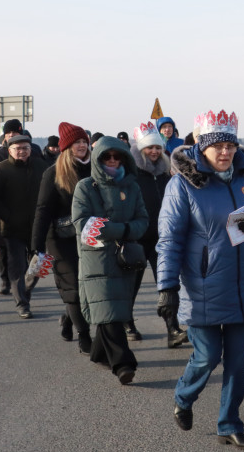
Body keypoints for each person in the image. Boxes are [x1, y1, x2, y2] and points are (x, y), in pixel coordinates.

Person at [158, 110, 244, 450]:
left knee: (238, 361)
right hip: (203, 285)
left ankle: (229, 422)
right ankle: (184, 396)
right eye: (218, 146)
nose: (226, 152)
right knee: (207, 356)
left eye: (231, 145)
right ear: (202, 148)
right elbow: (169, 239)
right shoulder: (183, 184)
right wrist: (167, 288)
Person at [72, 136, 149, 385]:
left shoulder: (132, 186)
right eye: (107, 157)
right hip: (96, 257)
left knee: (113, 307)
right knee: (108, 310)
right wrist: (123, 229)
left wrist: (123, 231)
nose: (113, 161)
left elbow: (143, 221)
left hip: (125, 257)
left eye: (117, 156)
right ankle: (123, 363)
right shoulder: (85, 186)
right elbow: (81, 223)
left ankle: (99, 353)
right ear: (98, 159)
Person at [31, 122, 94, 353]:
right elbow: (43, 209)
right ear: (66, 147)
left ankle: (69, 319)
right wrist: (36, 245)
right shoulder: (53, 173)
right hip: (60, 237)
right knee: (73, 286)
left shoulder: (96, 168)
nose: (82, 145)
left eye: (84, 141)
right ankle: (84, 334)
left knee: (86, 285)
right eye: (77, 142)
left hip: (90, 236)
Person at [128, 121, 183, 347]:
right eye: (149, 147)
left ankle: (173, 328)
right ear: (141, 150)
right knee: (132, 284)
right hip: (137, 238)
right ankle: (127, 322)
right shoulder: (131, 174)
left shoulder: (165, 174)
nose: (154, 151)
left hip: (162, 239)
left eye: (158, 148)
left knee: (167, 284)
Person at [0, 134, 48, 318]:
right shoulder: (1, 170)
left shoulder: (41, 167)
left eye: (25, 148)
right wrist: (7, 216)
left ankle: (26, 291)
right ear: (10, 151)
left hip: (38, 227)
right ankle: (22, 303)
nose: (22, 152)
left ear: (30, 149)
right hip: (12, 228)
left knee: (40, 265)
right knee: (17, 267)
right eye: (17, 148)